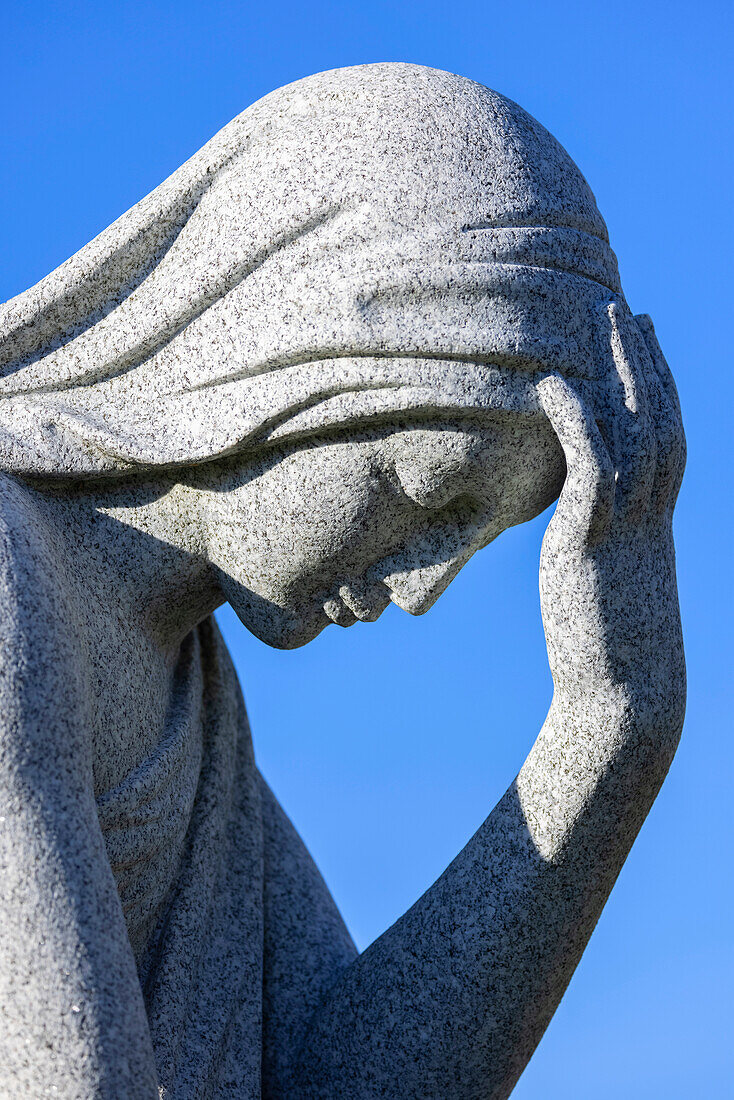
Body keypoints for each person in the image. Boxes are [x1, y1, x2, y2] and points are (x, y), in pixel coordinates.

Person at [0, 63, 685, 1099]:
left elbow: (327, 1080)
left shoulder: (188, 697)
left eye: (479, 535)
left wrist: (608, 727)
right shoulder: (14, 579)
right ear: (292, 348)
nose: (422, 588)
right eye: (427, 490)